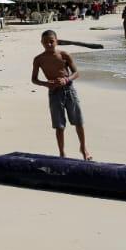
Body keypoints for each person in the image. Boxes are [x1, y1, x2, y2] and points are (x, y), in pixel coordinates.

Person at [31, 30, 90, 160]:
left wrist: (66, 79)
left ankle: (83, 148)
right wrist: (45, 84)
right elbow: (34, 79)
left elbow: (76, 73)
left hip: (69, 90)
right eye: (46, 42)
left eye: (51, 41)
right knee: (59, 125)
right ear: (41, 43)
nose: (49, 44)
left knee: (78, 121)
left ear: (56, 41)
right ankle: (62, 152)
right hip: (54, 93)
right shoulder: (39, 59)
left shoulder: (64, 55)